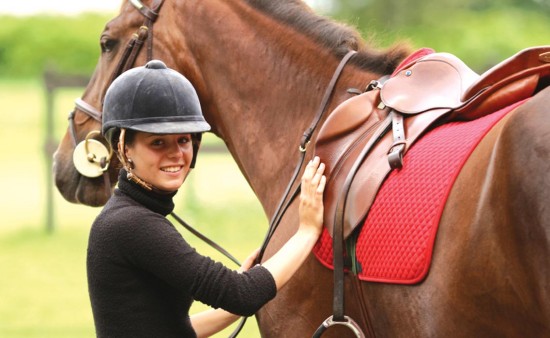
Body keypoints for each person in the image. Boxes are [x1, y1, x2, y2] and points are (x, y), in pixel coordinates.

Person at [87, 59, 326, 337]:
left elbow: (172, 329)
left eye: (184, 140)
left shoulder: (129, 214)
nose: (176, 154)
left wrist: (243, 291)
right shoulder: (131, 224)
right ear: (124, 147)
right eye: (157, 142)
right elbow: (243, 294)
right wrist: (307, 231)